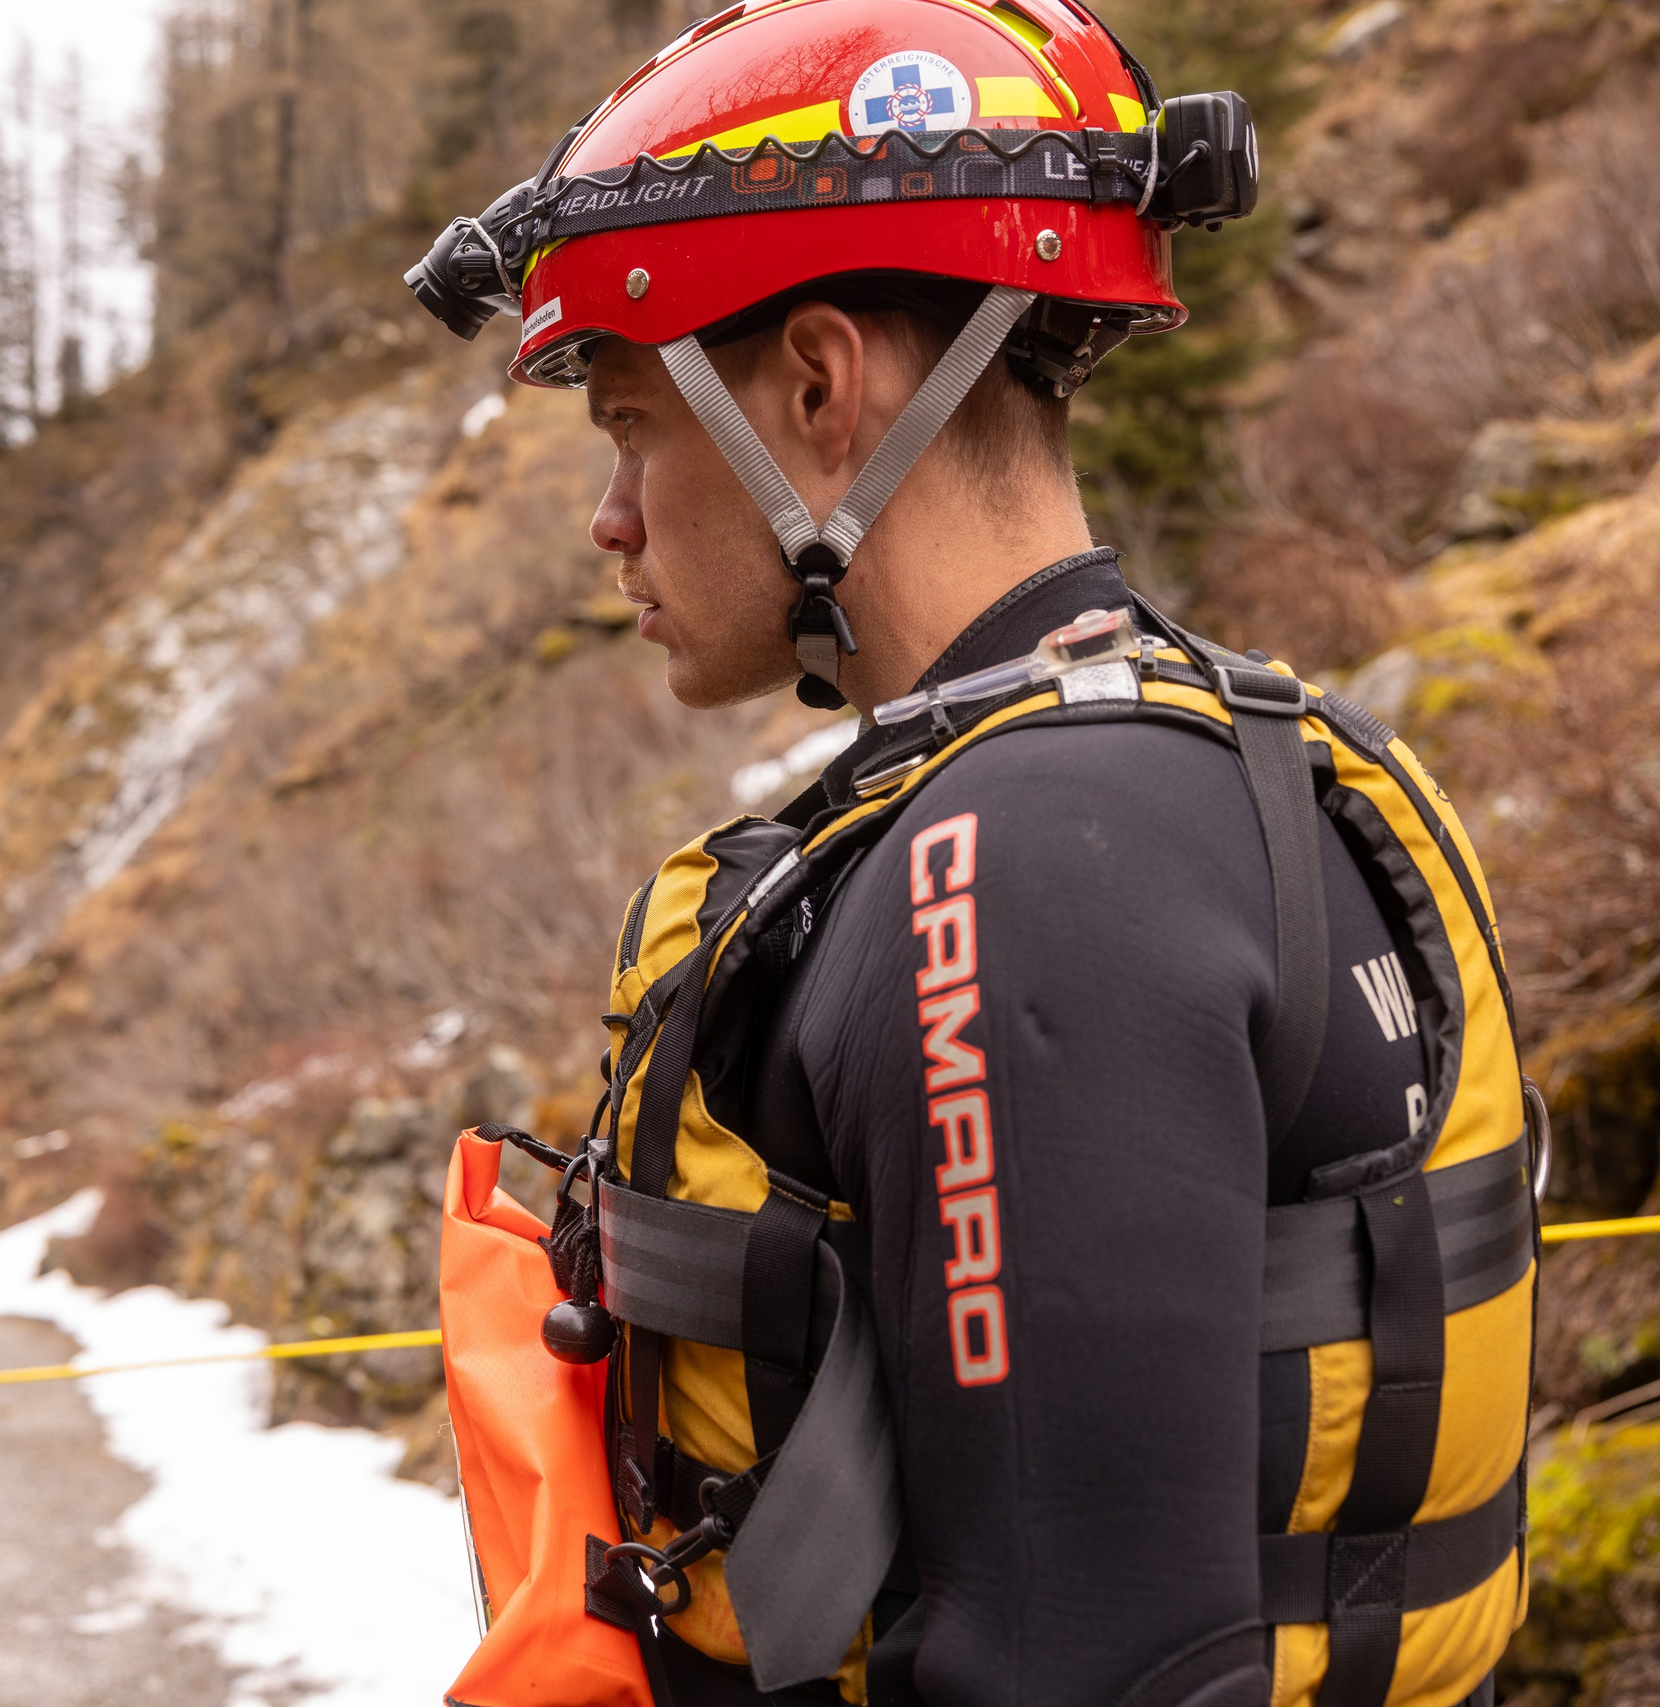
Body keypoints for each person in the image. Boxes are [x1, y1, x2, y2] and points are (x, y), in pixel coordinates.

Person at [409, 4, 1534, 1705]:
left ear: (817, 387)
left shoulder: (1027, 867)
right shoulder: (1250, 769)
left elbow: (1095, 1665)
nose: (611, 516)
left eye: (632, 420)